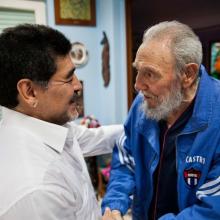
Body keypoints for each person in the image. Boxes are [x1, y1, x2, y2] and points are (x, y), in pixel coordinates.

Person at [0, 24, 123, 220]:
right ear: (30, 92)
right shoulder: (37, 191)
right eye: (68, 79)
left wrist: (141, 125)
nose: (78, 86)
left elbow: (95, 138)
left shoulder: (48, 126)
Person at [102, 20, 220, 220]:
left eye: (150, 74)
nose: (137, 85)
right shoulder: (142, 104)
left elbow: (212, 208)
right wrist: (114, 203)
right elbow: (126, 158)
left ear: (188, 74)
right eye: (138, 70)